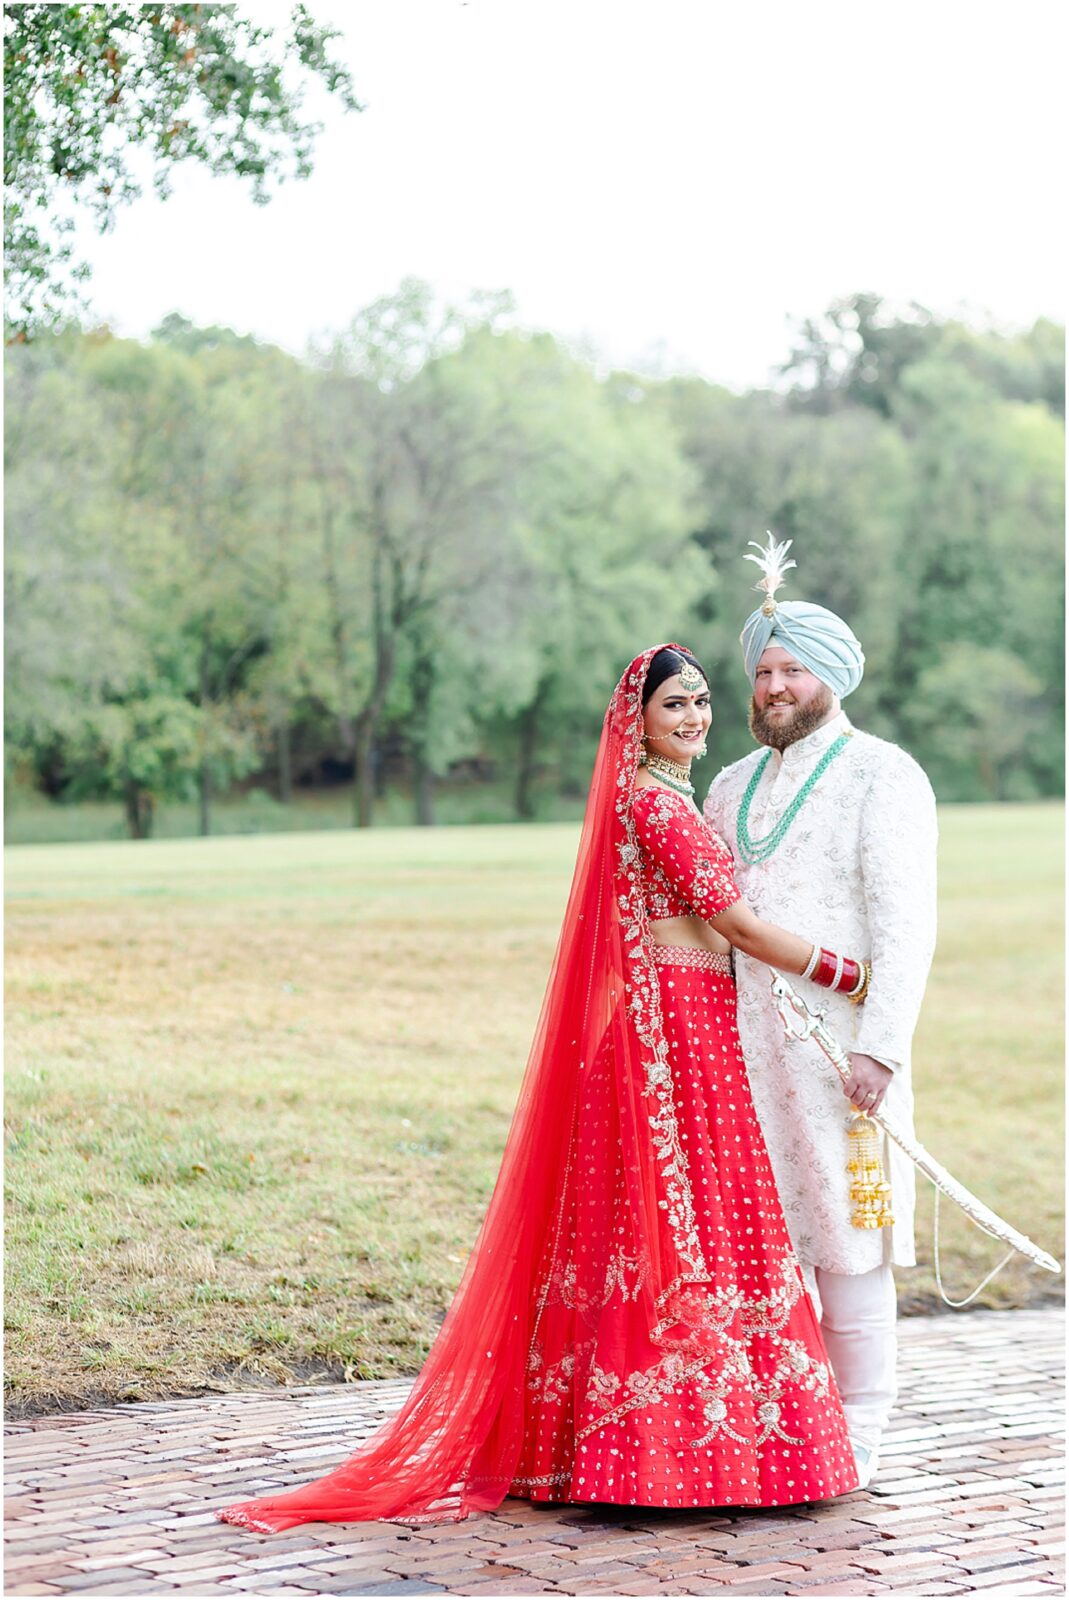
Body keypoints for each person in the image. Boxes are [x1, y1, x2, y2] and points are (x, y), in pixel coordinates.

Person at [218, 643, 866, 1533]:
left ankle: (626, 1450)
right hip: (671, 1036)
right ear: (633, 720)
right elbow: (737, 927)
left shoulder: (659, 796)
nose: (694, 717)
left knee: (648, 1229)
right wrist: (850, 974)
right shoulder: (657, 805)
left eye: (704, 701)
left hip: (677, 1025)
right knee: (679, 1223)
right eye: (674, 704)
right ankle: (670, 1459)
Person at [703, 538, 938, 1490]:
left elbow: (906, 925)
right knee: (761, 1238)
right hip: (737, 1046)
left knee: (847, 1232)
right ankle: (780, 1414)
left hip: (839, 1049)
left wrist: (879, 1049)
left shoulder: (882, 773)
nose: (772, 685)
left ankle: (864, 1423)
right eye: (761, 670)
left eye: (792, 667)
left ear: (831, 677)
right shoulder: (726, 785)